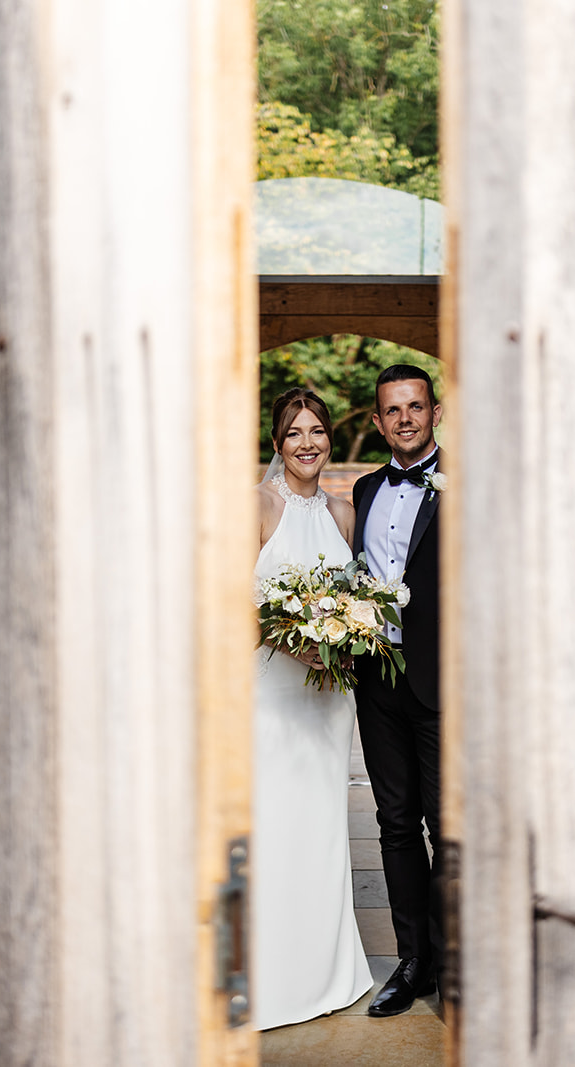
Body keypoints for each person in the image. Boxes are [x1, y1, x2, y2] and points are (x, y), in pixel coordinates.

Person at [250, 388, 374, 1031]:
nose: (308, 442)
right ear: (278, 443)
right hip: (273, 692)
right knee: (273, 821)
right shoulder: (259, 506)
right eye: (294, 432)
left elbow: (354, 599)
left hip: (330, 700)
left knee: (322, 825)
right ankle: (270, 975)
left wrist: (347, 640)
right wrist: (295, 643)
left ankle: (328, 969)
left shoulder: (343, 513)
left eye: (317, 430)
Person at [351, 364, 445, 1017]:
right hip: (376, 675)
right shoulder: (361, 489)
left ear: (434, 412)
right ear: (380, 420)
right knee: (394, 824)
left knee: (450, 826)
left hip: (445, 679)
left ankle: (457, 960)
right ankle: (412, 964)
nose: (405, 417)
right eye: (393, 409)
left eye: (415, 406)